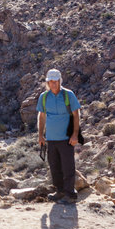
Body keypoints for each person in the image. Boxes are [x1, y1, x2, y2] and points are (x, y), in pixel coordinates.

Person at [37, 69, 81, 202]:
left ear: (60, 81)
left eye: (56, 81)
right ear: (47, 82)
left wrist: (75, 135)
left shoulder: (68, 95)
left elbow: (76, 114)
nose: (54, 84)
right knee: (54, 167)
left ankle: (70, 195)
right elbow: (42, 116)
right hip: (51, 139)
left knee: (68, 167)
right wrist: (40, 135)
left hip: (66, 139)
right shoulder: (44, 97)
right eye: (51, 82)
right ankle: (60, 191)